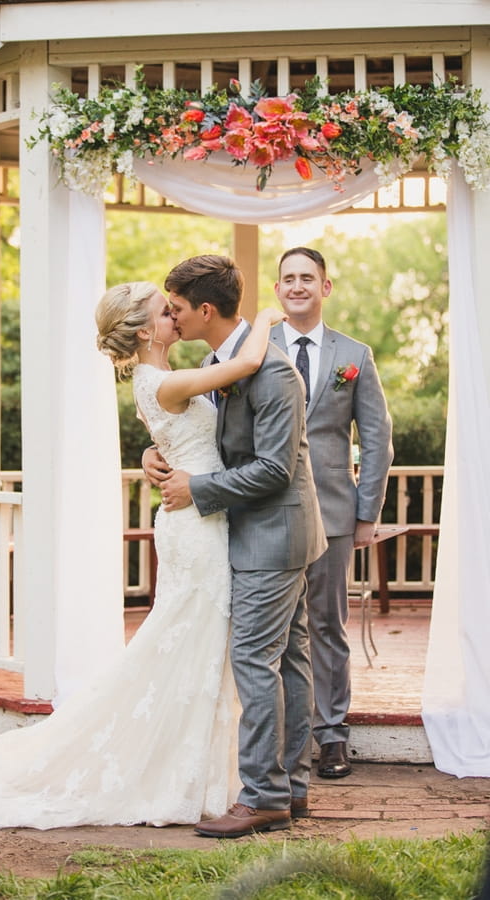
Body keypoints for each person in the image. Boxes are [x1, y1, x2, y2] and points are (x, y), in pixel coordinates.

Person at [0, 280, 284, 830]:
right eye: (164, 311)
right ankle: (169, 772)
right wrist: (266, 317)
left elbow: (186, 433)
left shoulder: (162, 380)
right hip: (196, 530)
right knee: (187, 648)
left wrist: (155, 452)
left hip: (200, 520)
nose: (174, 315)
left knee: (192, 651)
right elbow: (245, 366)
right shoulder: (163, 382)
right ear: (147, 330)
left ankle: (190, 770)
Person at [144, 254, 327, 838]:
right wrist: (159, 457)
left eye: (175, 308)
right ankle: (290, 788)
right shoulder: (215, 361)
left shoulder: (271, 373)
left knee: (254, 660)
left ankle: (264, 797)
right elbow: (219, 444)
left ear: (203, 310)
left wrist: (196, 489)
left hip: (273, 533)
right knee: (290, 662)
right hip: (261, 529)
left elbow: (273, 470)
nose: (170, 316)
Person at [270, 246, 393, 782]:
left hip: (334, 514)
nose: (297, 286)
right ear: (277, 290)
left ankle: (332, 736)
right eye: (288, 278)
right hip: (267, 511)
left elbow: (378, 438)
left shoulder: (355, 355)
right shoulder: (256, 347)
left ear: (326, 287)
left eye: (307, 278)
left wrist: (366, 513)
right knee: (270, 628)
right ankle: (276, 737)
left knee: (327, 624)